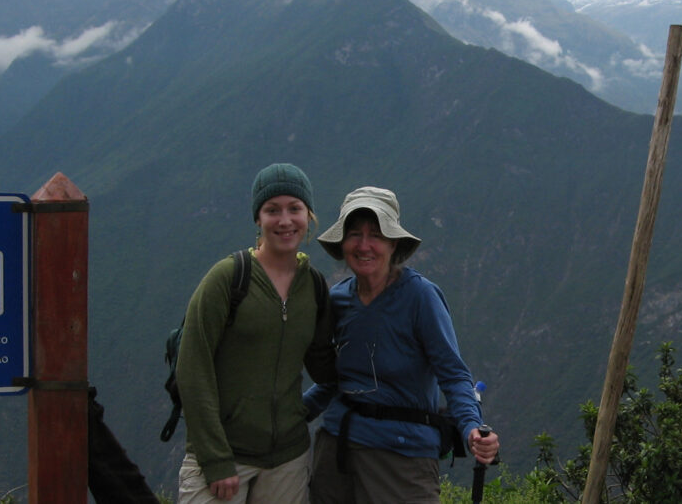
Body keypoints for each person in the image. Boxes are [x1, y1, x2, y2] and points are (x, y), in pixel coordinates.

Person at [304, 186, 500, 504]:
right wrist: (290, 416)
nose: (364, 245)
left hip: (402, 459)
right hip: (336, 454)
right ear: (342, 243)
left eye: (376, 235)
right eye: (354, 234)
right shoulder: (338, 300)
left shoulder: (420, 297)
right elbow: (336, 380)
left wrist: (472, 428)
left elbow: (453, 375)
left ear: (393, 244)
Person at [174, 163, 335, 503]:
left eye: (295, 208)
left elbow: (325, 366)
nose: (285, 220)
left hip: (287, 461)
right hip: (223, 454)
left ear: (309, 215)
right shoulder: (229, 278)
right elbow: (192, 367)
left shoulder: (315, 287)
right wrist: (216, 459)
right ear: (257, 218)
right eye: (272, 210)